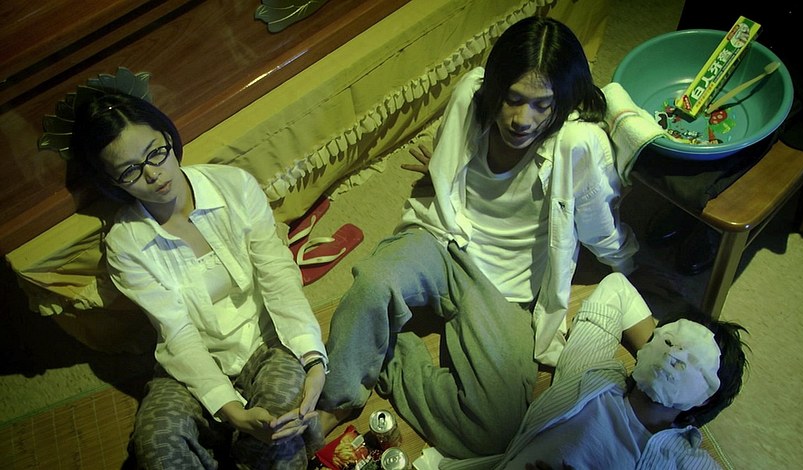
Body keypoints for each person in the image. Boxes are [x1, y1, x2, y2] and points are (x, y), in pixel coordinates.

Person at [317, 16, 647, 458]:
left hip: (506, 289)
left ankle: (388, 354)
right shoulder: (470, 96)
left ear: (561, 102)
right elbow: (450, 162)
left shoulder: (578, 143)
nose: (522, 119)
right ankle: (338, 398)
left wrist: (630, 264)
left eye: (542, 105)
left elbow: (598, 224)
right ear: (495, 89)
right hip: (443, 241)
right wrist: (441, 171)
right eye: (513, 99)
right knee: (373, 283)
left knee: (496, 430)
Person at [68, 90, 328, 469]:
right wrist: (232, 410)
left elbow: (278, 277)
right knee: (158, 444)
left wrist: (313, 358)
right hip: (192, 362)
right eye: (130, 171)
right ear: (113, 182)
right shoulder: (125, 244)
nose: (153, 174)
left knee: (279, 426)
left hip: (267, 340)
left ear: (168, 137)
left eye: (155, 153)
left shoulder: (234, 187)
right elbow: (177, 332)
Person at [437, 272, 749, 469]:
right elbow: (617, 289)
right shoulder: (591, 378)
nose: (674, 355)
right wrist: (654, 361)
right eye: (670, 342)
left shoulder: (682, 461)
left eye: (693, 362)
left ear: (705, 398)